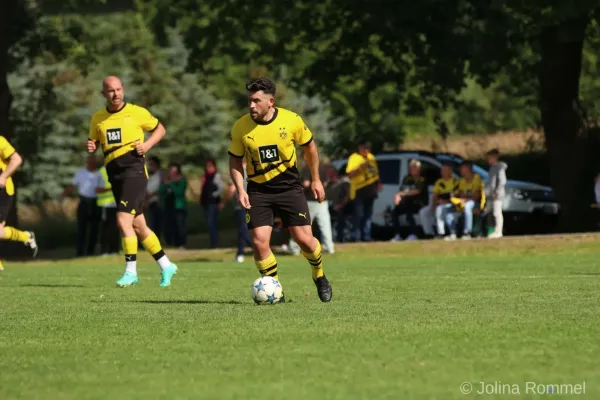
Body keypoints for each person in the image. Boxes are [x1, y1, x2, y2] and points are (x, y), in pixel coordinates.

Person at [228, 77, 332, 302]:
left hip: (289, 188)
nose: (251, 105)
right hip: (258, 191)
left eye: (256, 101)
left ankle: (319, 275)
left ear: (270, 101)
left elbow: (310, 148)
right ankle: (276, 291)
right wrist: (241, 189)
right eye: (250, 101)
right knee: (259, 241)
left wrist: (316, 179)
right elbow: (235, 161)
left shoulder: (291, 120)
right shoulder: (241, 127)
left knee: (305, 240)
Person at [87, 76, 177, 287]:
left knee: (122, 220)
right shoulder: (97, 118)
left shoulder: (136, 112)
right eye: (110, 90)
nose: (115, 94)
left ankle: (131, 272)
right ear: (104, 94)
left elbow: (160, 128)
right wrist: (91, 146)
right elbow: (94, 141)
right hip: (114, 174)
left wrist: (147, 146)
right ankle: (166, 265)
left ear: (123, 90)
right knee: (139, 225)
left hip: (134, 170)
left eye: (118, 89)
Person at [0, 136, 38, 270]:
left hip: (2, 191)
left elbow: (16, 159)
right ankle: (26, 236)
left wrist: (3, 177)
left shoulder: (0, 141)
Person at [288, 158, 335, 255]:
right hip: (322, 200)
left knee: (301, 224)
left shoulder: (306, 168)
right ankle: (329, 247)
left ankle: (294, 247)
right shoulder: (321, 168)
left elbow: (306, 183)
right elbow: (325, 183)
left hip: (310, 200)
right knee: (325, 225)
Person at [59, 156, 101, 257]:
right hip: (84, 202)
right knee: (81, 227)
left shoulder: (99, 174)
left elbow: (101, 188)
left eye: (93, 162)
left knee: (94, 228)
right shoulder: (80, 173)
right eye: (89, 162)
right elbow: (71, 185)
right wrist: (63, 194)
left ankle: (90, 251)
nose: (91, 164)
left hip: (95, 201)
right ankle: (80, 251)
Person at [346, 140, 381, 242]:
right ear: (359, 148)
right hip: (359, 189)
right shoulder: (354, 158)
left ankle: (366, 235)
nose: (366, 151)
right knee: (358, 214)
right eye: (364, 148)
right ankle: (355, 235)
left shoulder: (371, 157)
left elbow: (375, 172)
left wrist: (379, 183)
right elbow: (350, 175)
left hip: (371, 188)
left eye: (368, 149)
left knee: (368, 214)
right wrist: (360, 168)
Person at [390, 159, 428, 241]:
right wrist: (397, 196)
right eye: (410, 167)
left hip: (418, 203)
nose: (411, 169)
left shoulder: (421, 179)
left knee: (409, 210)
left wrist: (402, 194)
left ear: (418, 169)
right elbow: (402, 189)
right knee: (394, 212)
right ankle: (398, 235)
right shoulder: (407, 178)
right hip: (406, 202)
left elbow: (417, 191)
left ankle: (413, 234)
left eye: (414, 167)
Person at [227, 159, 252, 262]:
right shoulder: (253, 169)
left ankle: (254, 246)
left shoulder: (236, 171)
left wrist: (223, 202)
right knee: (243, 229)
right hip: (254, 204)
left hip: (241, 205)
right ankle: (240, 253)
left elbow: (231, 189)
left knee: (242, 229)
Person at [159, 163, 188, 249]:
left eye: (173, 171)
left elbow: (179, 192)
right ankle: (171, 243)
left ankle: (181, 243)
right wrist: (165, 184)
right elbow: (160, 191)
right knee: (169, 225)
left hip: (179, 207)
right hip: (168, 206)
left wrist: (171, 183)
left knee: (180, 225)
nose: (171, 172)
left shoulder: (181, 180)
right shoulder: (167, 180)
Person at [455, 161, 486, 239]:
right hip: (465, 202)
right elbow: (461, 195)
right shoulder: (461, 181)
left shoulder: (477, 178)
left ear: (468, 169)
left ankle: (467, 232)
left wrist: (466, 198)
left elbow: (476, 196)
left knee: (468, 206)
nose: (460, 170)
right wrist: (467, 197)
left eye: (462, 169)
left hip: (477, 203)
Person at [95, 165, 120, 255]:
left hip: (117, 204)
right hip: (106, 205)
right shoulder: (101, 172)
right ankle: (105, 250)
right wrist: (111, 188)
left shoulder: (118, 169)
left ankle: (114, 250)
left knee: (115, 228)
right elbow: (97, 189)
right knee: (106, 228)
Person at [200, 158, 224, 249]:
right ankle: (212, 242)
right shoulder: (205, 176)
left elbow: (220, 189)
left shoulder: (216, 176)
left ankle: (215, 243)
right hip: (205, 202)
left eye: (210, 166)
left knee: (211, 223)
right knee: (209, 223)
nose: (208, 168)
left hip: (213, 202)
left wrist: (212, 195)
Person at [432, 163, 460, 240]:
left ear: (450, 171)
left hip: (453, 204)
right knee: (438, 209)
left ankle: (453, 232)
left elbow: (457, 195)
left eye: (445, 170)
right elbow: (435, 195)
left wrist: (446, 200)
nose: (442, 172)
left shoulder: (455, 182)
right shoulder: (439, 182)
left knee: (446, 209)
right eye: (442, 171)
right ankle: (441, 233)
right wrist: (434, 205)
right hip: (441, 204)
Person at [485, 149, 507, 239]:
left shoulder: (499, 168)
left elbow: (502, 180)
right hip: (491, 194)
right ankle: (493, 230)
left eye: (489, 158)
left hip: (497, 194)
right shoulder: (492, 168)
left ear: (495, 158)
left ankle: (499, 231)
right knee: (490, 212)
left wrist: (496, 192)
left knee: (497, 213)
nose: (488, 160)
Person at [146, 156, 163, 240]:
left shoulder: (160, 175)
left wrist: (152, 194)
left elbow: (161, 188)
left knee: (158, 223)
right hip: (149, 202)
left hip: (158, 202)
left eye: (151, 164)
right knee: (150, 223)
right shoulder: (148, 175)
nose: (150, 166)